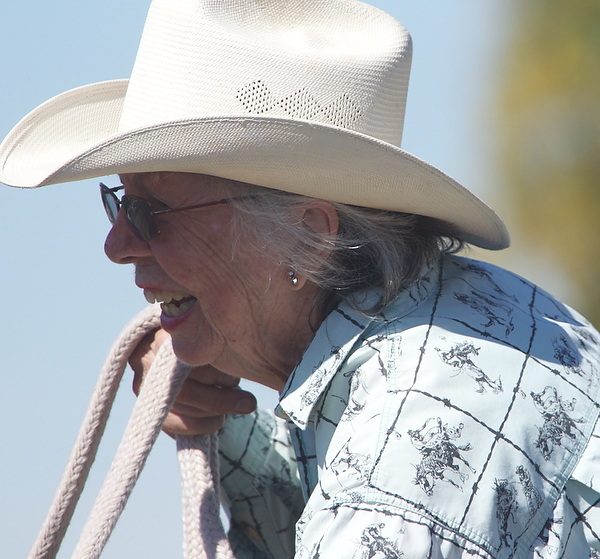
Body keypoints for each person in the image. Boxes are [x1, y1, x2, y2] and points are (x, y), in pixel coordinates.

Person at [1, 1, 599, 558]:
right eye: (119, 203)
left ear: (309, 237)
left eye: (149, 212)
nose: (116, 247)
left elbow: (380, 500)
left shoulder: (402, 460)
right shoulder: (451, 324)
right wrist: (225, 422)